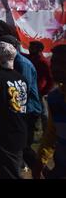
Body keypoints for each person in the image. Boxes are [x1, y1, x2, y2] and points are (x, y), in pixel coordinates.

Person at [0, 41, 28, 179]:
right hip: (20, 129)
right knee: (13, 167)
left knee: (9, 172)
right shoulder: (21, 78)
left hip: (3, 131)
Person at [0, 35, 42, 170]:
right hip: (20, 108)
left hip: (28, 109)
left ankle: (39, 168)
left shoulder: (22, 64)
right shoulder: (11, 62)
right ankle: (22, 166)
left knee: (23, 144)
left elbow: (23, 89)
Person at [32, 45, 66, 179]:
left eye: (62, 63)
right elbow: (52, 133)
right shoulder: (55, 97)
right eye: (54, 62)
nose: (54, 67)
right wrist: (40, 161)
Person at [24, 41, 54, 131]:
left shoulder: (43, 61)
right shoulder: (30, 58)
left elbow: (50, 79)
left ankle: (46, 132)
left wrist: (44, 92)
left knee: (44, 114)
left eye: (32, 47)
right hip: (31, 90)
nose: (29, 49)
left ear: (39, 49)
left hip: (40, 92)